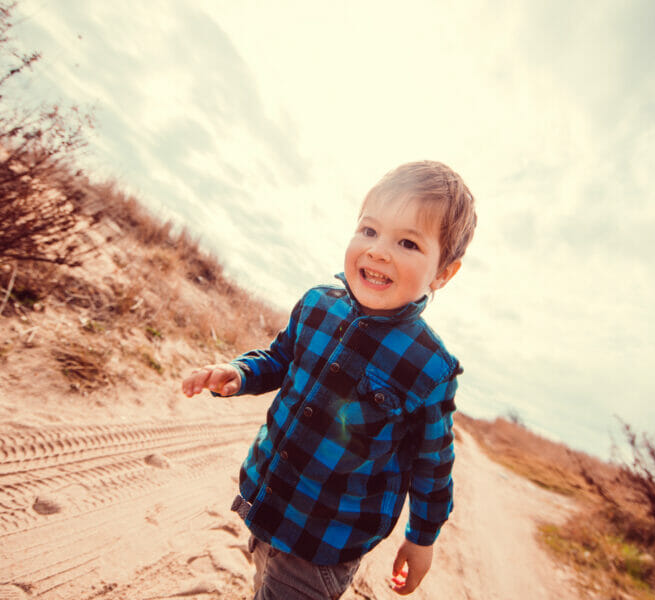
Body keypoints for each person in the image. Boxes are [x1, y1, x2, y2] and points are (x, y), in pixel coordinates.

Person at [182, 160, 477, 599]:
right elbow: (280, 358)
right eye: (370, 231)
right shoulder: (318, 305)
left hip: (326, 540)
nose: (378, 251)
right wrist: (240, 373)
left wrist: (421, 538)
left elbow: (432, 465)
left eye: (408, 243)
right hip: (268, 498)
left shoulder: (429, 366)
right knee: (261, 579)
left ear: (442, 273)